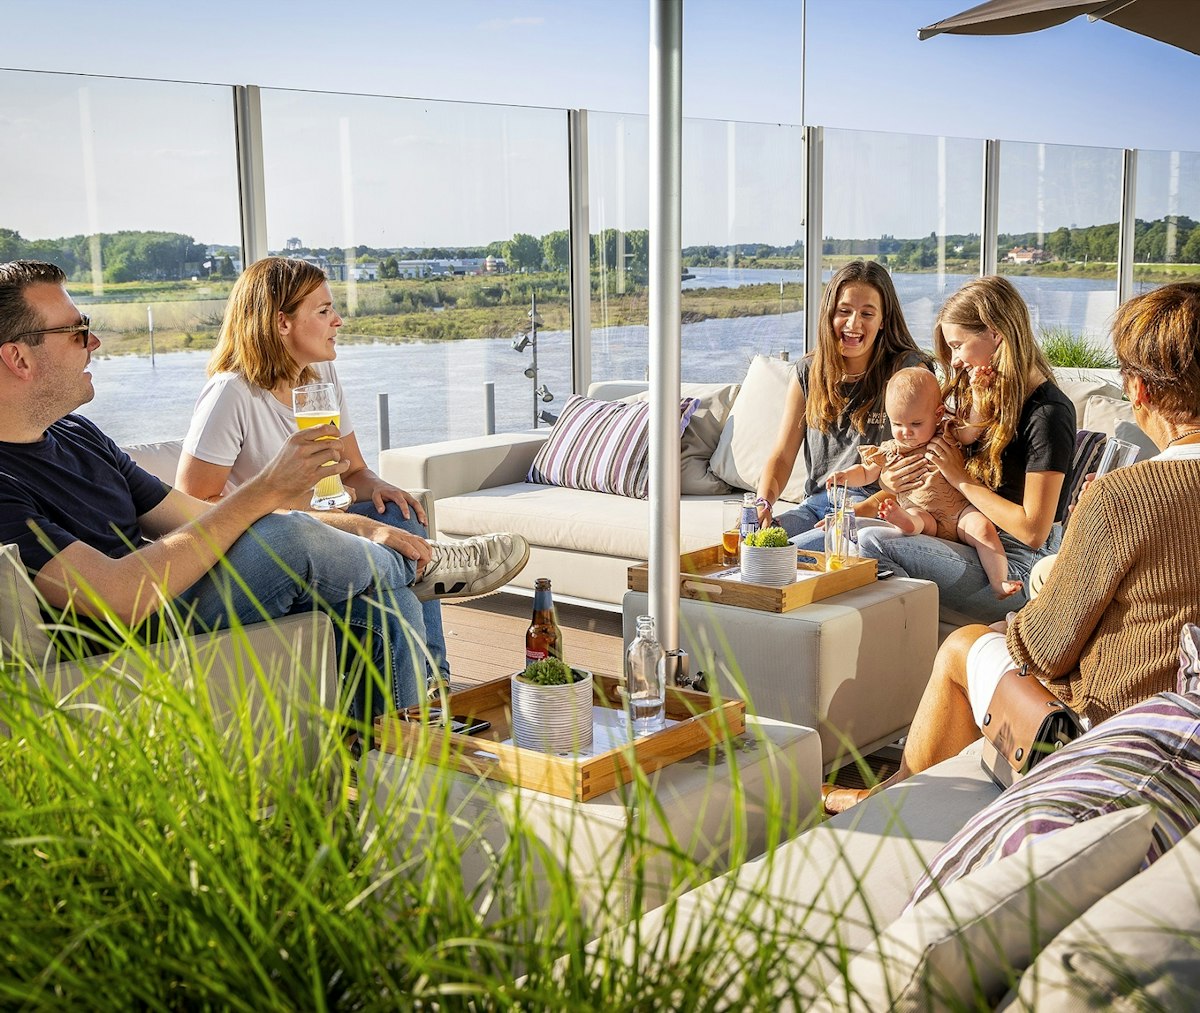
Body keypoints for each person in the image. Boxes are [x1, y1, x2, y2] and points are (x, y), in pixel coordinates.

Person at [0, 260, 529, 723]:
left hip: (180, 595)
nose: (94, 343)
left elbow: (190, 515)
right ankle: (423, 567)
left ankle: (396, 768)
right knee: (284, 536)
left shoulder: (79, 436)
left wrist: (359, 524)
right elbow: (118, 596)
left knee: (388, 606)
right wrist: (268, 490)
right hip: (134, 639)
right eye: (77, 332)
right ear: (18, 358)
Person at [823, 281, 1200, 814]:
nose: (955, 359)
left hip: (1116, 731)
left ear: (1138, 391)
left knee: (964, 645)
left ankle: (889, 803)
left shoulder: (1120, 491)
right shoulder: (988, 403)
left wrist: (1013, 625)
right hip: (1179, 715)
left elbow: (1047, 647)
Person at [174, 257, 452, 693]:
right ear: (281, 322)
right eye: (323, 311)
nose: (338, 320)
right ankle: (441, 568)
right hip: (268, 541)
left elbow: (353, 471)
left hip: (326, 522)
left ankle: (434, 689)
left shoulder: (322, 376)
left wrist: (381, 488)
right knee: (397, 577)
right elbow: (193, 506)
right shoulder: (232, 393)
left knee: (404, 516)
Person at [852, 275, 1076, 624]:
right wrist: (890, 482)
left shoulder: (1048, 414)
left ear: (996, 334)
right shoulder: (982, 394)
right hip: (965, 540)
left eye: (957, 345)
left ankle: (907, 640)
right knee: (842, 536)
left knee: (872, 542)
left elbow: (1033, 531)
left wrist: (960, 478)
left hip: (1018, 566)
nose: (954, 361)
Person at [756, 260, 928, 537]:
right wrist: (763, 503)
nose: (853, 324)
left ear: (883, 320)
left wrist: (859, 511)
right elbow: (782, 456)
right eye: (844, 311)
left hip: (877, 509)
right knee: (753, 543)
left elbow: (921, 466)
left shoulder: (907, 371)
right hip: (815, 506)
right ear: (829, 314)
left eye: (867, 314)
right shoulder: (808, 371)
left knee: (789, 552)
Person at [827, 366, 1021, 599]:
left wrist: (979, 395)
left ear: (938, 415)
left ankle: (1000, 581)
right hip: (923, 513)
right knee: (916, 519)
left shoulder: (947, 433)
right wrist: (844, 476)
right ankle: (904, 521)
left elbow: (971, 431)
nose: (905, 432)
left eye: (916, 424)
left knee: (983, 528)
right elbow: (866, 472)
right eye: (897, 424)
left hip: (959, 512)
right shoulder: (891, 450)